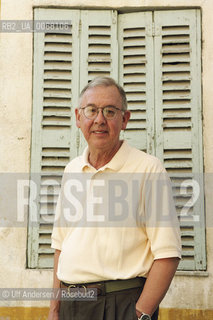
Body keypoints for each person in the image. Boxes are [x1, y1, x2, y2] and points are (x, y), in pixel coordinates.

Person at [48, 76, 181, 320]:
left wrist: (140, 314)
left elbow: (168, 254)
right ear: (78, 118)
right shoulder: (71, 170)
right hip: (70, 306)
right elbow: (60, 246)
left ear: (125, 119)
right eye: (91, 110)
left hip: (120, 306)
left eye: (110, 111)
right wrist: (54, 311)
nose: (99, 120)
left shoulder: (148, 169)